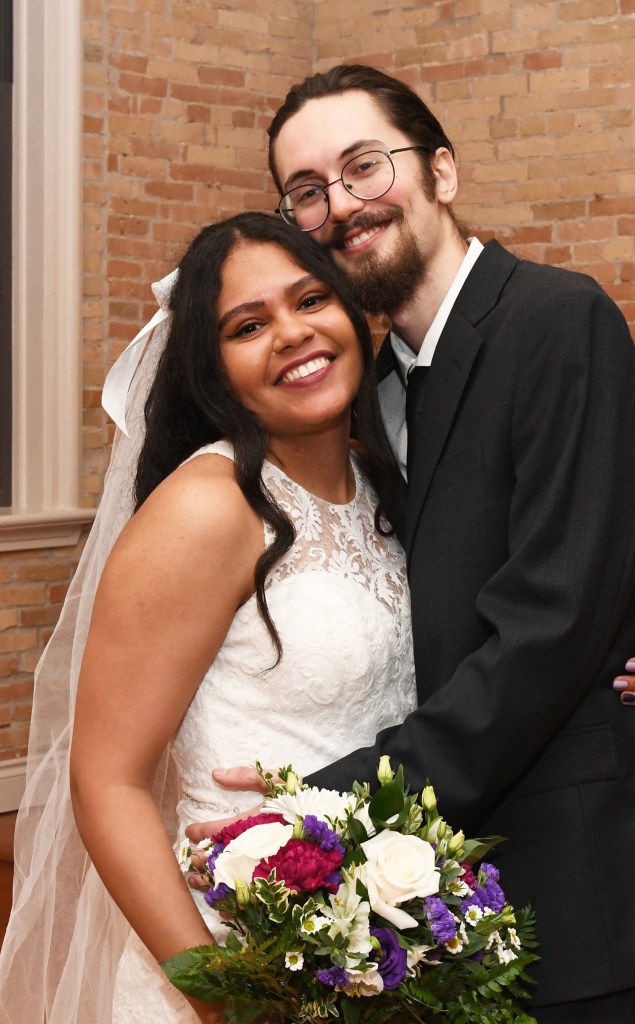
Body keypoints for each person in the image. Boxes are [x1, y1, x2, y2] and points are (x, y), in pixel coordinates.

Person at [198, 66, 635, 1022]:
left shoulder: (556, 319)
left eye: (364, 167)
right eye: (306, 192)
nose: (340, 205)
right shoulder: (366, 394)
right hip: (438, 907)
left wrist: (326, 803)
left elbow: (550, 626)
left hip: (587, 894)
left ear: (441, 173)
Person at [0, 213, 417, 1023]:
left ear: (353, 311)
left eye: (310, 300)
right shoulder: (207, 507)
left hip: (376, 946)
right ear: (214, 370)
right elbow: (108, 783)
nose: (292, 334)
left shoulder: (382, 483)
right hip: (236, 950)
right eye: (249, 325)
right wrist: (225, 999)